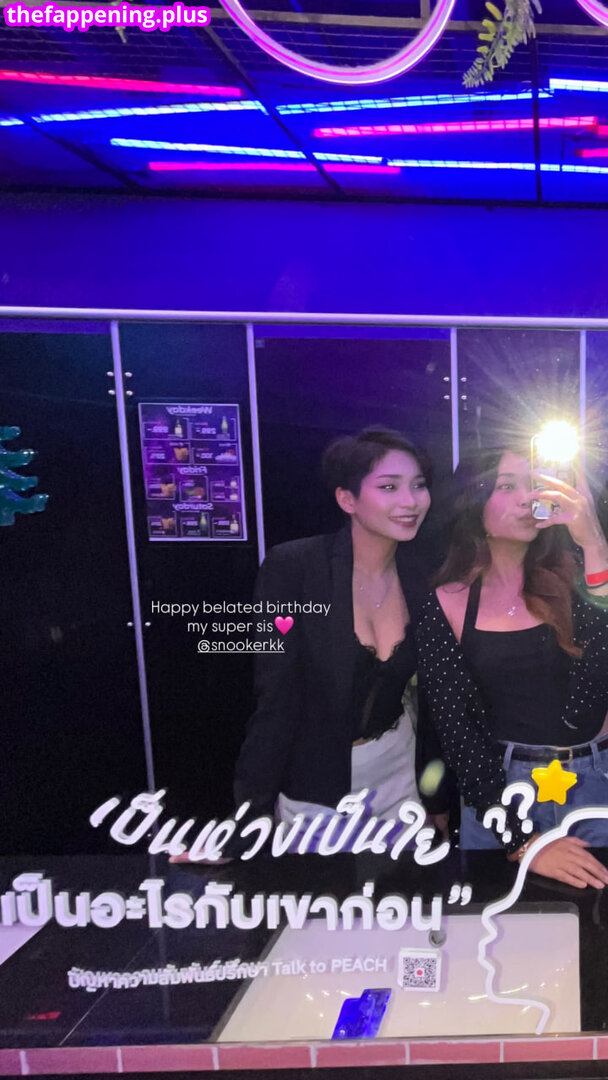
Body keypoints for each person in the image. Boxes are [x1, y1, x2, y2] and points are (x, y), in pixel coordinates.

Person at [232, 427, 448, 844]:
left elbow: (436, 699)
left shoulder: (424, 573)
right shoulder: (295, 568)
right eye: (389, 487)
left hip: (400, 779)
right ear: (347, 499)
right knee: (321, 888)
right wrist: (246, 821)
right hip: (317, 787)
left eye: (418, 485)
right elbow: (276, 700)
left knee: (403, 887)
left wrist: (436, 796)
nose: (410, 501)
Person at [416, 447, 608, 889]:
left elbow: (597, 682)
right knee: (501, 920)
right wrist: (520, 839)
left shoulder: (578, 575)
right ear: (474, 502)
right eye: (507, 486)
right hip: (502, 789)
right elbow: (458, 730)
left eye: (533, 484)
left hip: (595, 777)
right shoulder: (447, 601)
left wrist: (594, 541)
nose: (527, 498)